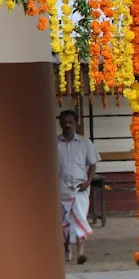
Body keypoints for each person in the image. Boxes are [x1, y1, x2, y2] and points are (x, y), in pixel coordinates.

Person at [57, 109, 98, 265]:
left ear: (76, 124)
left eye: (70, 122)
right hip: (61, 189)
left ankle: (81, 251)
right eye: (64, 122)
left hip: (80, 188)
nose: (67, 125)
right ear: (60, 123)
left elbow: (93, 165)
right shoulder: (54, 143)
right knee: (63, 222)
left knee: (80, 218)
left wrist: (88, 182)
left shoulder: (85, 143)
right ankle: (66, 249)